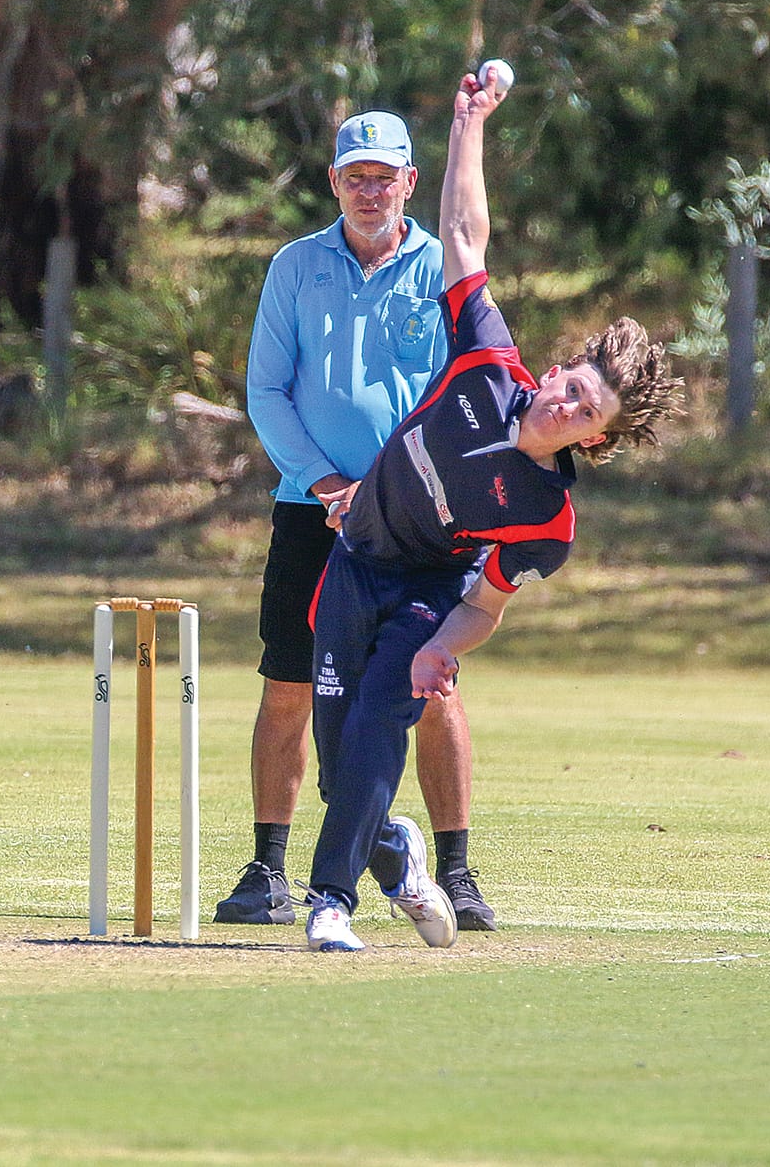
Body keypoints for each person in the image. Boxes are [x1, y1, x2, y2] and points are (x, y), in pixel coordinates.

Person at [300, 66, 682, 952]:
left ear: (594, 440)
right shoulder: (487, 360)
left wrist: (440, 650)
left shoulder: (547, 520)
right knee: (337, 757)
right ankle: (389, 850)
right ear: (554, 373)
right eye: (574, 388)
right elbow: (466, 236)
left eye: (588, 413)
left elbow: (486, 604)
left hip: (428, 592)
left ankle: (331, 903)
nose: (569, 406)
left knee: (377, 725)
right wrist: (469, 122)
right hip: (354, 559)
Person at [218, 107, 497, 931]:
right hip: (314, 508)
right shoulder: (296, 267)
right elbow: (266, 390)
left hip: (417, 525)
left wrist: (408, 492)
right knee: (289, 685)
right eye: (354, 177)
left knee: (435, 686)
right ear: (333, 182)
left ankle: (456, 869)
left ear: (411, 182)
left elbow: (465, 394)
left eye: (384, 177)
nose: (369, 191)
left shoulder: (440, 268)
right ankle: (268, 868)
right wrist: (327, 480)